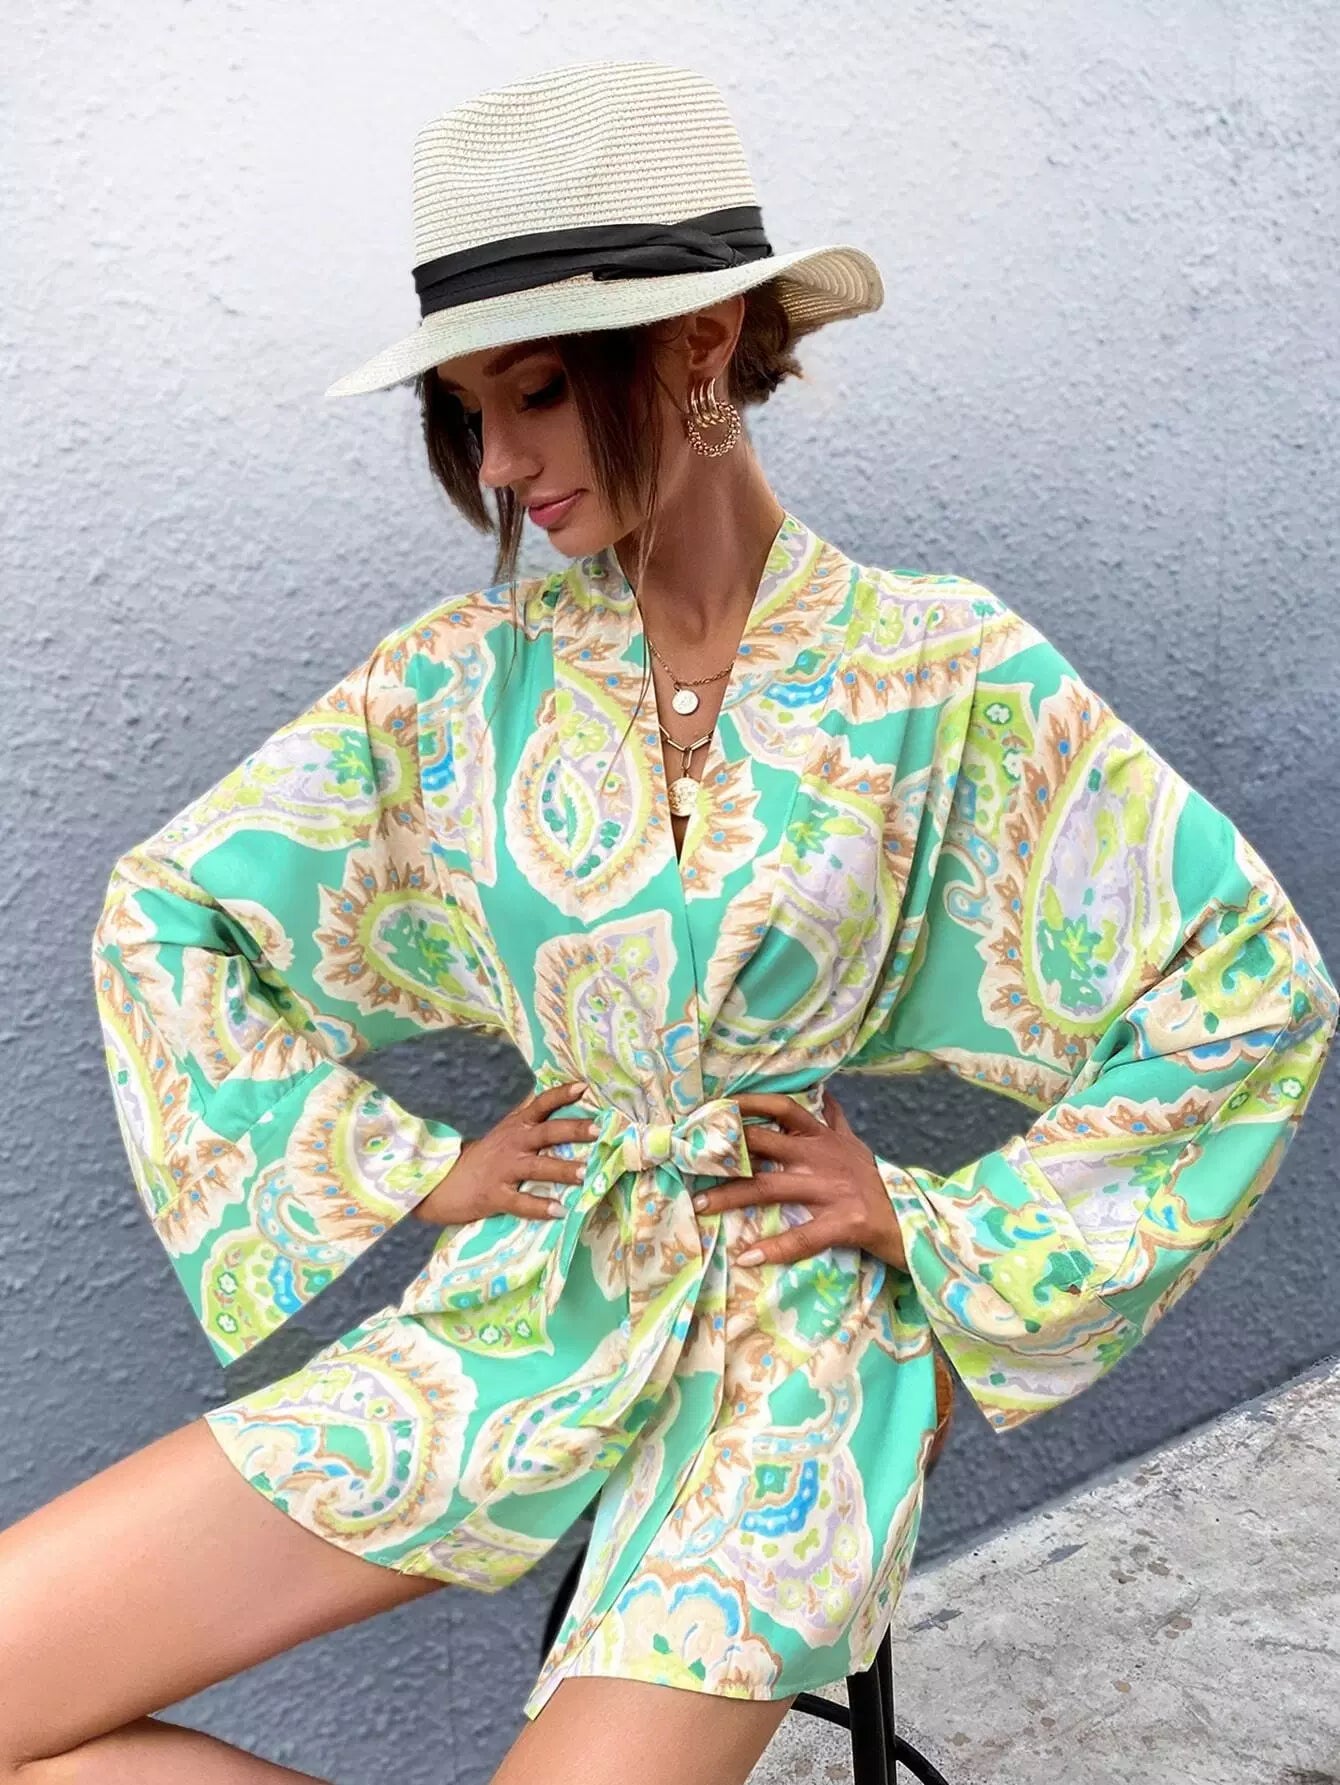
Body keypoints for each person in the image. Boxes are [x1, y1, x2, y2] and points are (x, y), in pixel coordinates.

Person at [2, 54, 1335, 1785]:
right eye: (468, 410)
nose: (500, 464)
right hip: (531, 1296)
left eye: (541, 390)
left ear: (701, 342)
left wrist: (946, 1225)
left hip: (796, 1335)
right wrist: (415, 1171)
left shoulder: (937, 669)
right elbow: (169, 912)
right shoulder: (459, 684)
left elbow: (1249, 984)